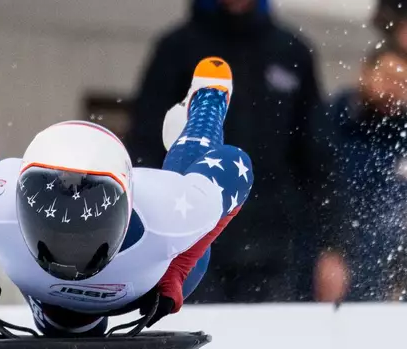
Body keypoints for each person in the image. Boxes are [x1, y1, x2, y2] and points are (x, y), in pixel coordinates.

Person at [0, 58, 253, 336]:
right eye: (57, 222)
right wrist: (177, 270)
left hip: (122, 272)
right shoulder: (168, 218)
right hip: (139, 281)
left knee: (189, 198)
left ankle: (206, 105)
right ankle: (203, 112)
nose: (71, 252)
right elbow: (234, 168)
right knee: (194, 202)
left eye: (85, 226)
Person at [124, 0, 347, 303]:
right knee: (197, 344)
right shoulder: (176, 49)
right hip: (191, 246)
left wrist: (332, 247)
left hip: (275, 251)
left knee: (268, 347)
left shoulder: (292, 51)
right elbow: (145, 145)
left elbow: (318, 157)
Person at [330, 45, 407, 300]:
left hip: (381, 274)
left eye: (402, 83)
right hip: (326, 261)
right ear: (365, 72)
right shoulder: (331, 122)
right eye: (387, 77)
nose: (393, 89)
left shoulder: (401, 139)